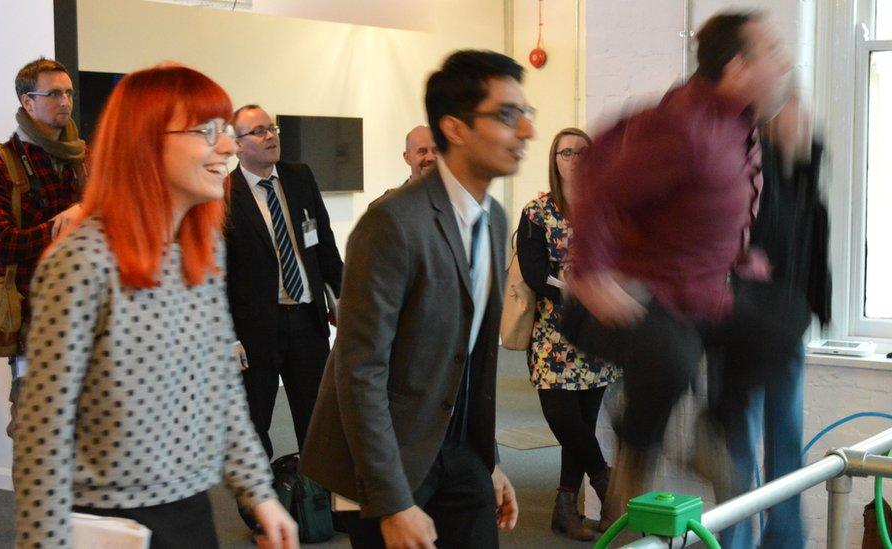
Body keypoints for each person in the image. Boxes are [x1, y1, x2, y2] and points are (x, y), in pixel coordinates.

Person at [12, 64, 297, 549]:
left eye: (226, 132)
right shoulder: (83, 261)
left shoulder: (200, 253)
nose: (228, 147)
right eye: (208, 132)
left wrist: (259, 494)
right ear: (147, 142)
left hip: (190, 512)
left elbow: (223, 390)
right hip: (112, 526)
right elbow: (42, 434)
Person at [563, 11, 795, 530]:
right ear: (738, 66)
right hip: (628, 294)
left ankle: (711, 431)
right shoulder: (684, 126)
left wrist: (739, 256)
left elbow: (700, 208)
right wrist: (591, 271)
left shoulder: (740, 127)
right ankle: (633, 461)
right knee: (674, 356)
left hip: (697, 294)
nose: (786, 65)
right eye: (774, 54)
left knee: (783, 319)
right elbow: (600, 191)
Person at [300, 49, 533, 548]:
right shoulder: (392, 223)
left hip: (460, 448)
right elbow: (360, 369)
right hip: (388, 457)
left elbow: (471, 360)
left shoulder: (493, 219)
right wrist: (392, 500)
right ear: (455, 128)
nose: (526, 132)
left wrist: (488, 460)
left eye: (525, 115)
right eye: (508, 116)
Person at [714, 89, 829, 549]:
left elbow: (808, 253)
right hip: (740, 329)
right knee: (738, 448)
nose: (804, 124)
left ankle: (784, 541)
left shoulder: (803, 177)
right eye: (794, 114)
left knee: (786, 443)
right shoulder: (748, 171)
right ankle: (738, 541)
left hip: (785, 331)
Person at [516, 128, 619, 540]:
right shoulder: (538, 210)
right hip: (554, 336)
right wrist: (573, 289)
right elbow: (533, 270)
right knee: (565, 421)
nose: (576, 159)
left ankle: (564, 509)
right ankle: (605, 479)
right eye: (566, 152)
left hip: (597, 337)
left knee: (583, 426)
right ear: (554, 160)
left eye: (583, 152)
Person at [0, 57, 85, 437]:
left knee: (92, 435)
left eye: (68, 92)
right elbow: (2, 245)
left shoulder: (81, 160)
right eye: (53, 93)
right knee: (38, 437)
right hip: (35, 323)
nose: (65, 101)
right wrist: (63, 227)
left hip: (90, 314)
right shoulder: (0, 162)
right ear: (27, 101)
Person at [224, 104, 343, 461]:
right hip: (256, 330)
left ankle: (319, 506)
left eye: (272, 128)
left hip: (307, 319)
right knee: (255, 423)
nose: (271, 136)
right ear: (237, 144)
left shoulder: (299, 177)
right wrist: (227, 335)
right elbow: (217, 276)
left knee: (319, 420)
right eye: (258, 131)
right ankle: (266, 506)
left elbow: (324, 245)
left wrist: (345, 301)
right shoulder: (224, 195)